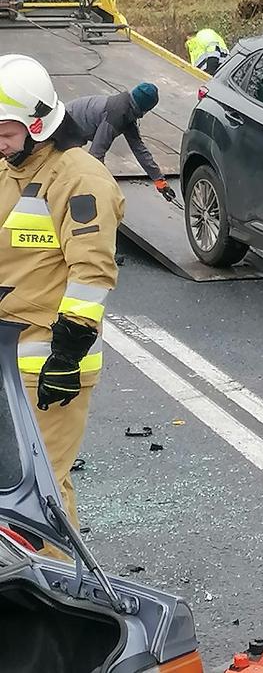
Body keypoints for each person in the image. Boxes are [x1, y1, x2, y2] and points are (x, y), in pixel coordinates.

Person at [0, 54, 124, 555]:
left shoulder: (78, 177)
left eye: (3, 130)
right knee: (16, 487)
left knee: (39, 490)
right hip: (10, 356)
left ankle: (60, 599)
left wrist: (67, 355)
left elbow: (91, 273)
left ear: (36, 123)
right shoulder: (10, 167)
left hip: (49, 359)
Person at [66, 82, 176, 202]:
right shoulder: (116, 116)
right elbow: (96, 154)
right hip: (65, 127)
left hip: (75, 130)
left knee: (78, 170)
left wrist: (158, 179)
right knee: (68, 172)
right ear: (145, 109)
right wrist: (104, 188)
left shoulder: (127, 113)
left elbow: (139, 149)